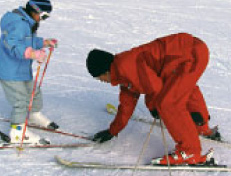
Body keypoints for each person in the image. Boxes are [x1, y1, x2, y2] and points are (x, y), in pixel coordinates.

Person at [86, 32, 221, 165]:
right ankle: (202, 127)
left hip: (189, 54)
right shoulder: (123, 74)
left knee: (168, 103)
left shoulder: (125, 66)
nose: (100, 81)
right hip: (189, 52)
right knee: (181, 88)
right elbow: (126, 107)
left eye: (98, 77)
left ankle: (190, 151)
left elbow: (155, 88)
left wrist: (153, 106)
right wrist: (112, 131)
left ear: (105, 71)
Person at [0, 0, 59, 145]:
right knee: (21, 100)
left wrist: (43, 42)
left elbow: (27, 41)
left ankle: (34, 114)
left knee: (34, 92)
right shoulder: (18, 24)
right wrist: (32, 54)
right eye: (43, 15)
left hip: (21, 69)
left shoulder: (27, 23)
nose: (43, 19)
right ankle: (17, 132)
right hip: (9, 71)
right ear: (34, 10)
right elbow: (12, 45)